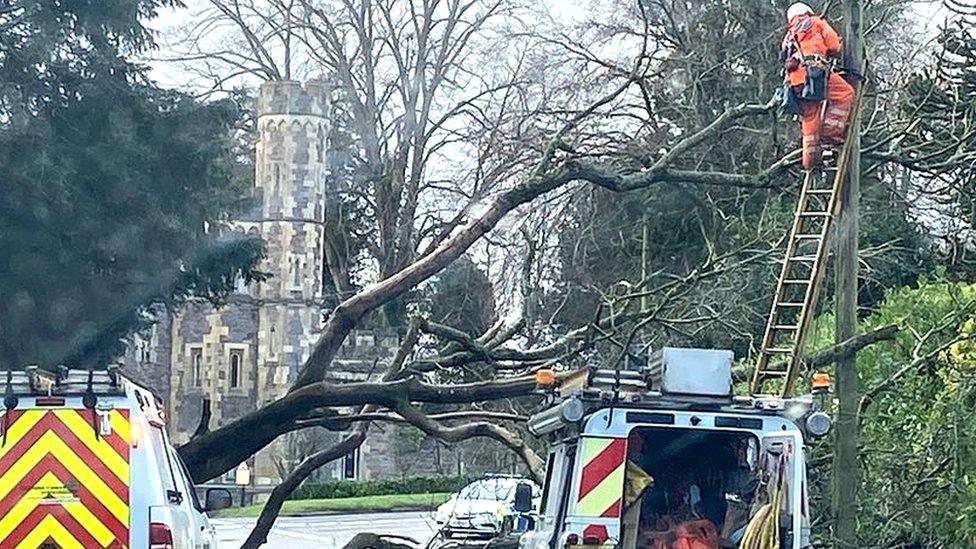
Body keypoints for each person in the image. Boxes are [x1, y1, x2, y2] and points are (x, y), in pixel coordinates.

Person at [780, 3, 855, 170]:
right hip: (813, 74)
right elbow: (835, 46)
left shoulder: (788, 36)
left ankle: (810, 161)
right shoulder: (816, 22)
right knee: (845, 93)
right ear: (807, 12)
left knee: (810, 118)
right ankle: (830, 135)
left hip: (794, 82)